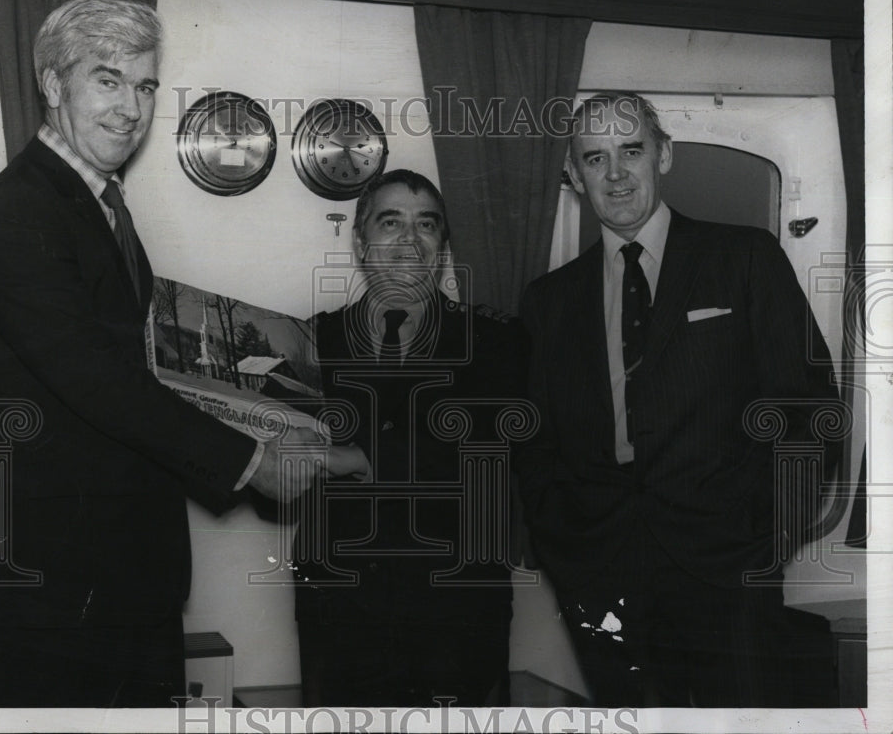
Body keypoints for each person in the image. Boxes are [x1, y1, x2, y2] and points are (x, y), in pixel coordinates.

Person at [0, 0, 364, 708]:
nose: (130, 109)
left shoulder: (99, 205)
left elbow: (147, 370)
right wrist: (254, 460)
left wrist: (276, 418)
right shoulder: (12, 215)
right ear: (52, 84)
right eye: (108, 80)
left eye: (144, 86)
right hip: (62, 595)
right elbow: (101, 384)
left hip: (120, 583)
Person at [517, 92, 842, 707]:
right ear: (574, 174)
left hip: (728, 565)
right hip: (600, 569)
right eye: (594, 158)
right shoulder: (549, 300)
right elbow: (536, 440)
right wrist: (562, 540)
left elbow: (809, 410)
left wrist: (770, 534)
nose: (614, 175)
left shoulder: (744, 258)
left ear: (663, 156)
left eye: (630, 151)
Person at [292, 169, 528, 707]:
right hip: (339, 611)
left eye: (426, 225)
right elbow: (286, 487)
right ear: (359, 241)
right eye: (390, 222)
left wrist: (355, 458)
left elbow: (483, 455)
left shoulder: (495, 341)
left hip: (456, 613)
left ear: (443, 246)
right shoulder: (311, 341)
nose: (408, 240)